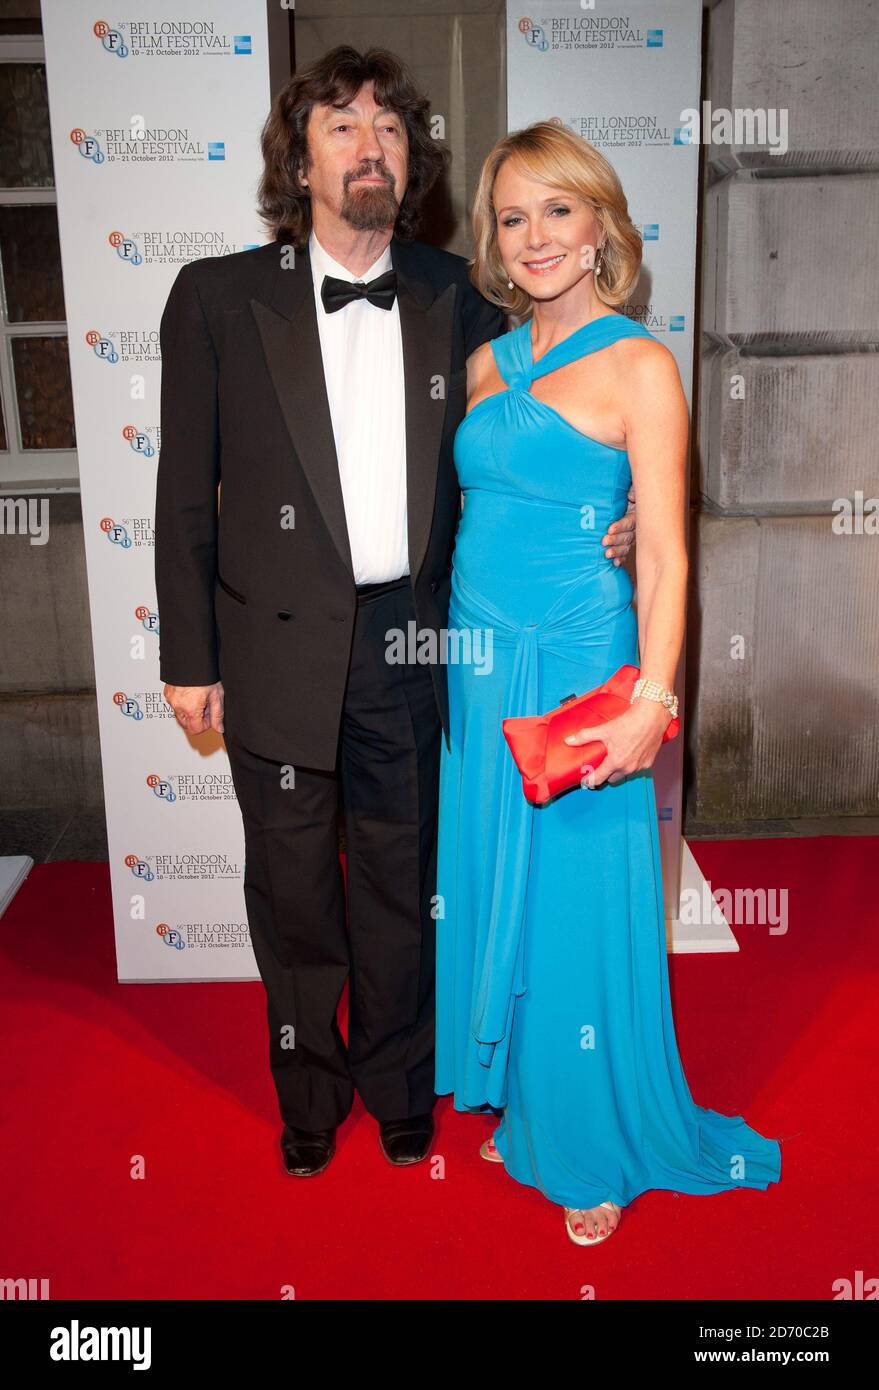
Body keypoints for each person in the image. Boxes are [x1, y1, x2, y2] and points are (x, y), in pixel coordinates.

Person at [155, 49, 638, 1178]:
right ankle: (310, 1092)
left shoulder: (459, 294)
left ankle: (399, 1078)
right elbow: (184, 490)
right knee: (289, 888)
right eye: (340, 125)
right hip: (270, 642)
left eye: (387, 129)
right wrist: (188, 654)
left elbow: (546, 435)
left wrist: (608, 519)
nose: (368, 146)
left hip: (414, 642)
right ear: (301, 157)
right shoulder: (219, 297)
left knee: (400, 875)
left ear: (411, 158)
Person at [435, 121, 782, 1244]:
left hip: (585, 671)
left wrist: (655, 700)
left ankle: (593, 1139)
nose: (534, 236)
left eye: (557, 210)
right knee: (503, 889)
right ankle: (534, 1100)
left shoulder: (642, 362)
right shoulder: (487, 361)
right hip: (480, 667)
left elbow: (671, 550)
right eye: (512, 215)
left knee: (580, 904)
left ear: (601, 227)